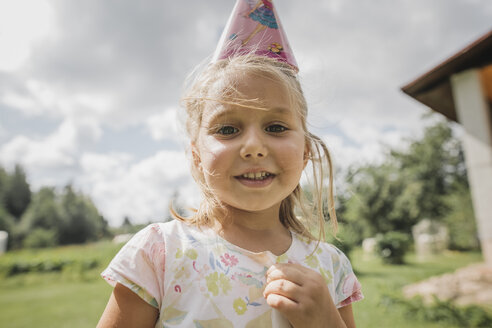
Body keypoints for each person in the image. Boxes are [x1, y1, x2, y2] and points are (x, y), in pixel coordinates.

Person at [97, 1, 362, 327]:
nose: (253, 147)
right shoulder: (159, 254)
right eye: (227, 129)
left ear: (306, 151)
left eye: (276, 127)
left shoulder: (332, 267)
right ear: (196, 154)